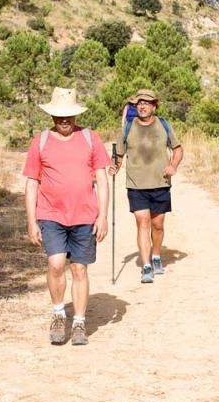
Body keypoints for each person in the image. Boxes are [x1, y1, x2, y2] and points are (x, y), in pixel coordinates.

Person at [23, 87, 111, 346]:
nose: (64, 120)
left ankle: (80, 323)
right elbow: (31, 183)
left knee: (80, 268)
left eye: (69, 116)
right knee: (56, 264)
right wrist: (31, 221)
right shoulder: (40, 141)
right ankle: (59, 314)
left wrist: (103, 216)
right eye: (59, 116)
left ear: (76, 115)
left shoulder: (90, 138)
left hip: (85, 216)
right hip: (51, 215)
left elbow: (103, 181)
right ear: (51, 116)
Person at [109, 89, 183, 283]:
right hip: (136, 185)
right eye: (139, 103)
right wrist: (114, 167)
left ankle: (156, 256)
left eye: (146, 103)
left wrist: (173, 165)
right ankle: (147, 266)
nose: (142, 106)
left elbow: (177, 149)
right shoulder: (127, 127)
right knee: (143, 223)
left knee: (158, 225)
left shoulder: (164, 125)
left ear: (154, 106)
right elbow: (119, 154)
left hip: (160, 183)